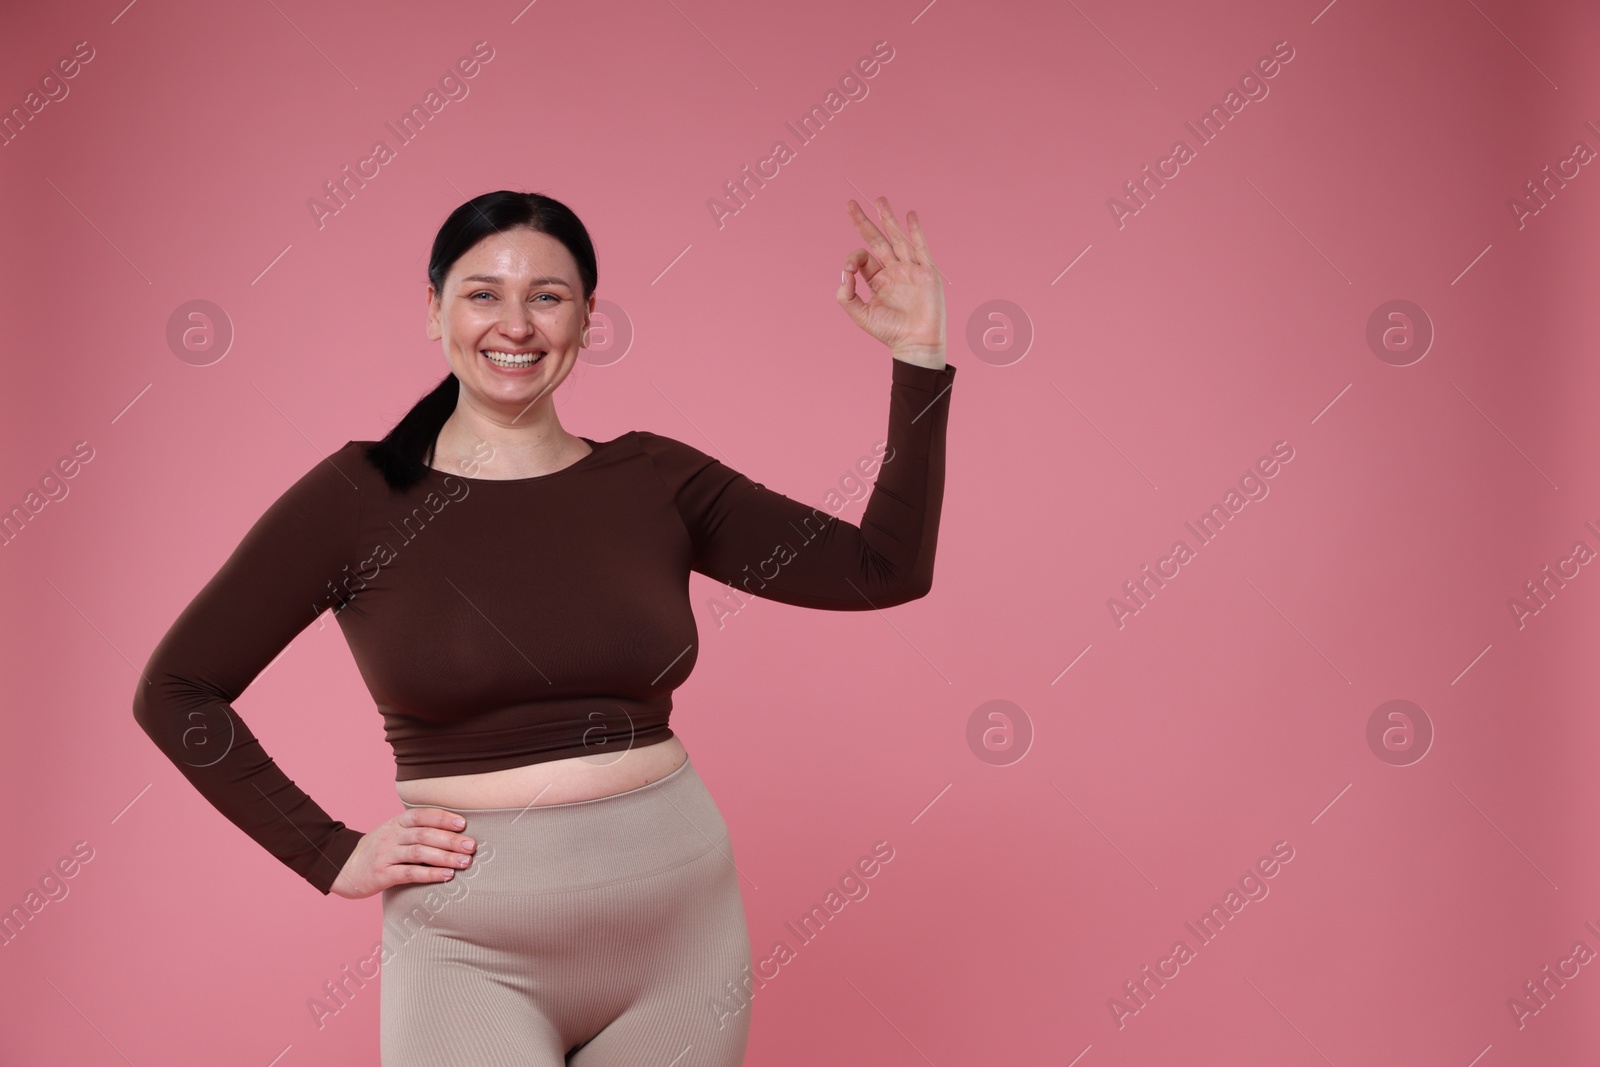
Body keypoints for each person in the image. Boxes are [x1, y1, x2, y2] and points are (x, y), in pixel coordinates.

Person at [132, 188, 957, 1066]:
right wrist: (328, 852)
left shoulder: (654, 480)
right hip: (468, 947)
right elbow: (175, 689)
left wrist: (919, 354)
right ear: (433, 309)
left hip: (679, 931)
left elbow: (882, 570)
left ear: (590, 318)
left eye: (548, 296)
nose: (515, 324)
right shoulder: (358, 497)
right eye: (483, 293)